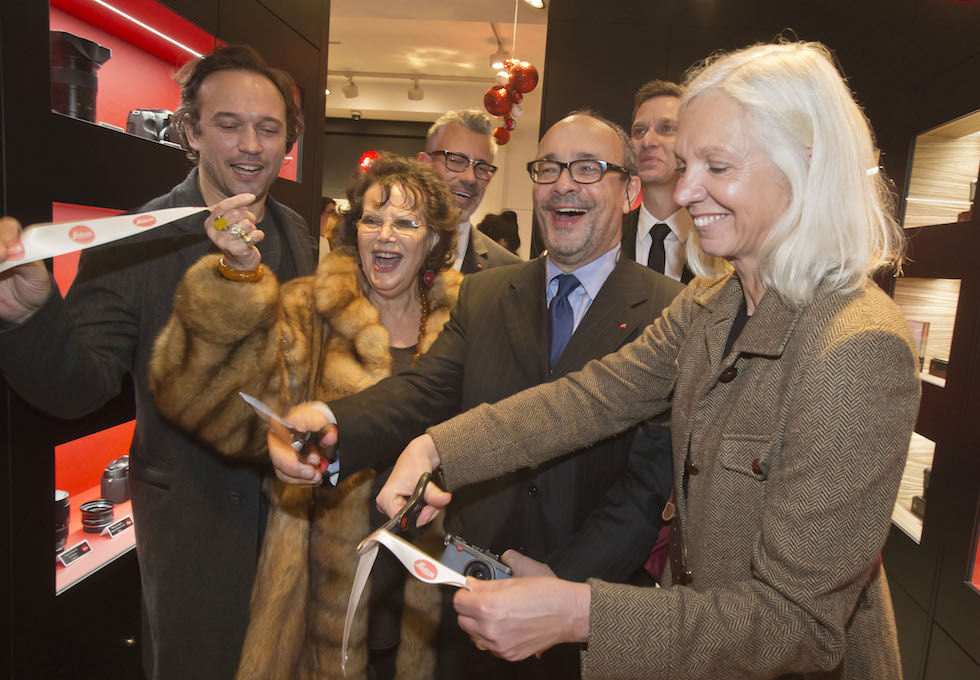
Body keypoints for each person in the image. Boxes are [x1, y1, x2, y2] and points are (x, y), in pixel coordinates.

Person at [377, 41, 920, 680]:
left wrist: (577, 612)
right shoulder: (713, 302)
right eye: (685, 166)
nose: (684, 191)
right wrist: (437, 449)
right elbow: (593, 398)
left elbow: (795, 626)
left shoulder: (858, 349)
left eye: (718, 166)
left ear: (804, 166)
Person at [269, 111, 684, 679]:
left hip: (584, 612)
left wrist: (561, 589)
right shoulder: (486, 294)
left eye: (587, 168)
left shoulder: (670, 312)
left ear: (631, 191)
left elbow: (647, 484)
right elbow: (423, 391)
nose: (563, 184)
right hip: (467, 597)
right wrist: (330, 421)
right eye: (549, 168)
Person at [0, 45, 315, 679]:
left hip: (297, 522)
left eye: (268, 128)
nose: (250, 145)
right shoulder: (138, 238)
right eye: (229, 124)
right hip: (193, 532)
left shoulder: (298, 233)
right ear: (191, 132)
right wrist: (28, 317)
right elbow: (78, 386)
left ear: (288, 141)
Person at [150, 154, 463, 679]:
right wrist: (235, 279)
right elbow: (213, 403)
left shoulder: (463, 321)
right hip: (323, 589)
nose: (385, 235)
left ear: (432, 239)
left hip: (431, 584)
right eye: (371, 219)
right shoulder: (308, 309)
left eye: (406, 223)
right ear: (353, 230)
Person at [417, 109, 521, 273]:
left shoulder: (509, 271)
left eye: (482, 168)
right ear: (423, 164)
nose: (470, 178)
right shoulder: (382, 249)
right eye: (456, 161)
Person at [621, 80, 695, 283]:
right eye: (639, 131)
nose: (648, 141)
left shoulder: (721, 242)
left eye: (667, 128)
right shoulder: (607, 236)